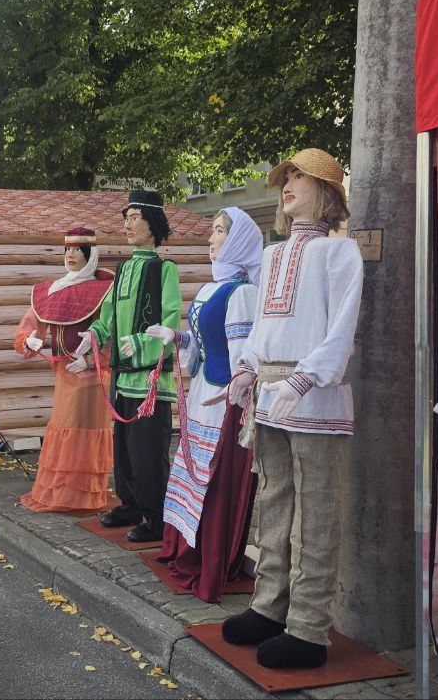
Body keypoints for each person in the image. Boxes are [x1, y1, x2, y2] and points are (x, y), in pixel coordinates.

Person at [216, 148, 363, 670]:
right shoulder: (273, 256)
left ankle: (308, 628)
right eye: (285, 177)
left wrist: (303, 380)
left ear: (326, 191)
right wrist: (247, 370)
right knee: (274, 500)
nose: (288, 184)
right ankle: (269, 606)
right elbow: (262, 328)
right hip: (271, 397)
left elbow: (341, 329)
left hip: (314, 394)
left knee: (318, 511)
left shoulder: (340, 253)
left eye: (299, 177)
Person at [146, 207, 263, 602]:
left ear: (238, 241)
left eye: (218, 231)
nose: (210, 239)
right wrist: (176, 338)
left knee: (212, 480)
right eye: (212, 231)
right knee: (192, 475)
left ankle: (210, 559)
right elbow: (200, 343)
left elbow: (242, 356)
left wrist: (235, 390)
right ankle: (185, 548)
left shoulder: (244, 293)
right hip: (201, 394)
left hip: (222, 402)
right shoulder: (212, 287)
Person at [69, 189, 182, 543]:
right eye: (126, 218)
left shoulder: (165, 269)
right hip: (122, 377)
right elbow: (109, 316)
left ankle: (157, 517)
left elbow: (170, 319)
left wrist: (140, 343)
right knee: (126, 451)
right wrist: (95, 336)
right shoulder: (124, 268)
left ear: (153, 223)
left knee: (149, 452)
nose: (127, 224)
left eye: (135, 218)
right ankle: (131, 505)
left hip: (150, 380)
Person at [13, 227, 115, 513]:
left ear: (89, 254)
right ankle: (63, 492)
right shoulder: (53, 289)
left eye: (77, 250)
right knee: (65, 428)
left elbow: (109, 329)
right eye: (67, 250)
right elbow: (30, 324)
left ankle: (83, 496)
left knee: (84, 429)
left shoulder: (104, 289)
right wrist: (28, 340)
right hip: (64, 373)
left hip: (92, 375)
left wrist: (96, 360)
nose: (71, 255)